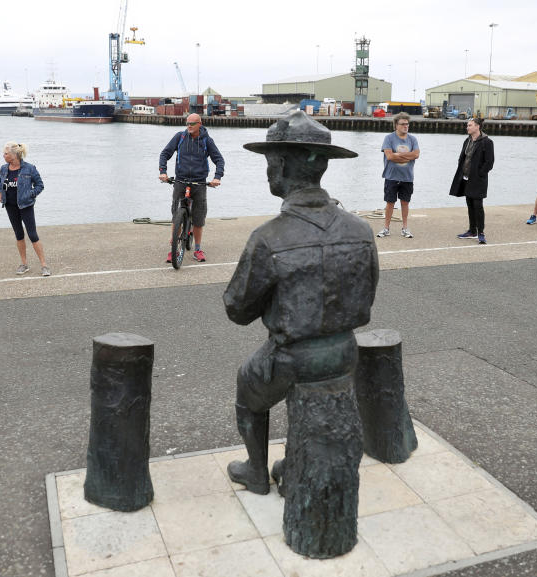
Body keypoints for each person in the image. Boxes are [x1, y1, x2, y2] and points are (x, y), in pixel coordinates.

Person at [223, 110, 379, 495]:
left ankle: (257, 471)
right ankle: (294, 463)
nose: (267, 169)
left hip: (294, 359)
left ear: (280, 164)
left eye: (269, 161)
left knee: (248, 388)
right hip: (345, 352)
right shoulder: (361, 230)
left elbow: (237, 309)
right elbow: (368, 291)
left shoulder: (268, 238)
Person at [158, 113, 224, 263]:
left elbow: (219, 160)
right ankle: (173, 248)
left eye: (192, 123)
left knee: (199, 218)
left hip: (199, 183)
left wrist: (217, 177)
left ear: (200, 124)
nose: (189, 126)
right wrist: (163, 172)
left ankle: (198, 249)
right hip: (180, 181)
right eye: (187, 123)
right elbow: (165, 154)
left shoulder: (207, 140)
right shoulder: (180, 137)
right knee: (176, 215)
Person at [0, 142, 50, 276]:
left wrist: (30, 195)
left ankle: (44, 265)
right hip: (10, 205)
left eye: (6, 153)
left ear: (14, 155)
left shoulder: (29, 168)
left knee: (32, 234)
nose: (4, 156)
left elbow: (40, 185)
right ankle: (24, 264)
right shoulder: (4, 168)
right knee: (19, 234)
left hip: (26, 205)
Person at [449, 117, 495, 244]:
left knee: (478, 205)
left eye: (470, 125)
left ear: (477, 126)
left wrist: (480, 174)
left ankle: (481, 233)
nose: (467, 127)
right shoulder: (467, 141)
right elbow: (462, 158)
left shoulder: (487, 142)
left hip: (478, 179)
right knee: (469, 204)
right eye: (467, 125)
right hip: (465, 178)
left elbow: (489, 162)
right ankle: (472, 231)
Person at [377, 112, 420, 238]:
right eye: (402, 124)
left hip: (407, 177)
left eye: (407, 124)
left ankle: (405, 228)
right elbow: (389, 156)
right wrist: (407, 156)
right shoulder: (389, 138)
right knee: (390, 202)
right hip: (391, 176)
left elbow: (416, 155)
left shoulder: (413, 139)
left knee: (405, 203)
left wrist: (398, 155)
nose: (406, 126)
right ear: (396, 125)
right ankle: (386, 228)